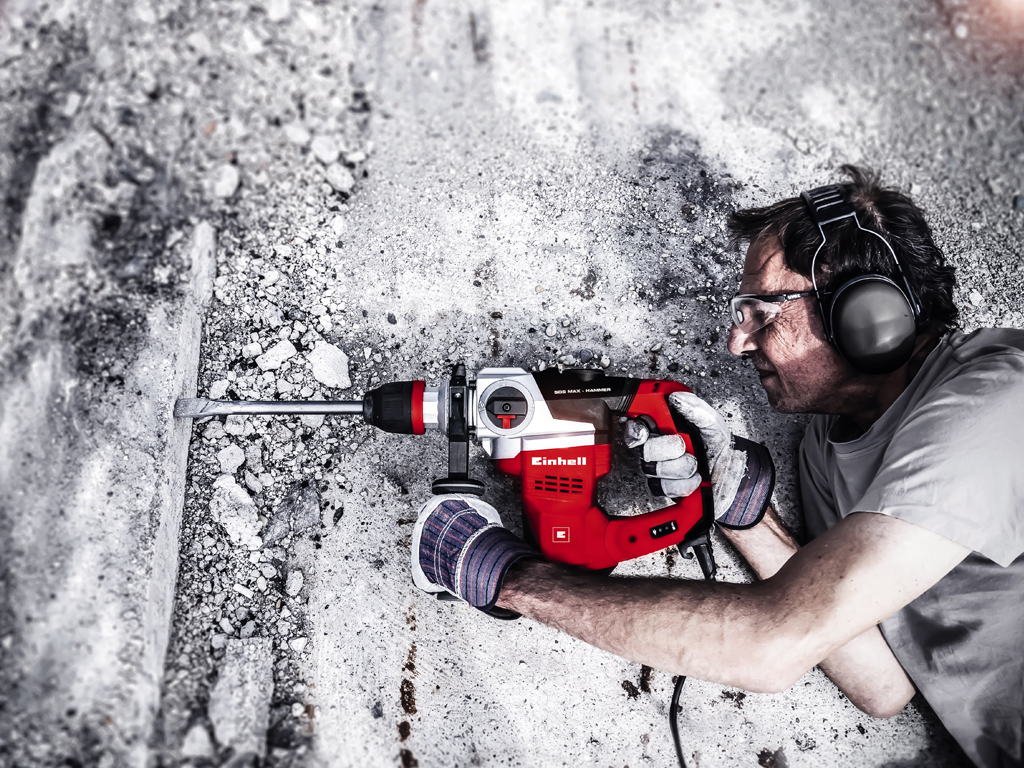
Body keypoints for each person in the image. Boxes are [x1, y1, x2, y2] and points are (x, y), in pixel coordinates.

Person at [409, 166, 1024, 768]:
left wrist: (509, 579)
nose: (738, 342)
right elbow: (882, 687)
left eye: (764, 312)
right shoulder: (826, 445)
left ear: (868, 316)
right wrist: (736, 506)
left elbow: (773, 646)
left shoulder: (997, 405)